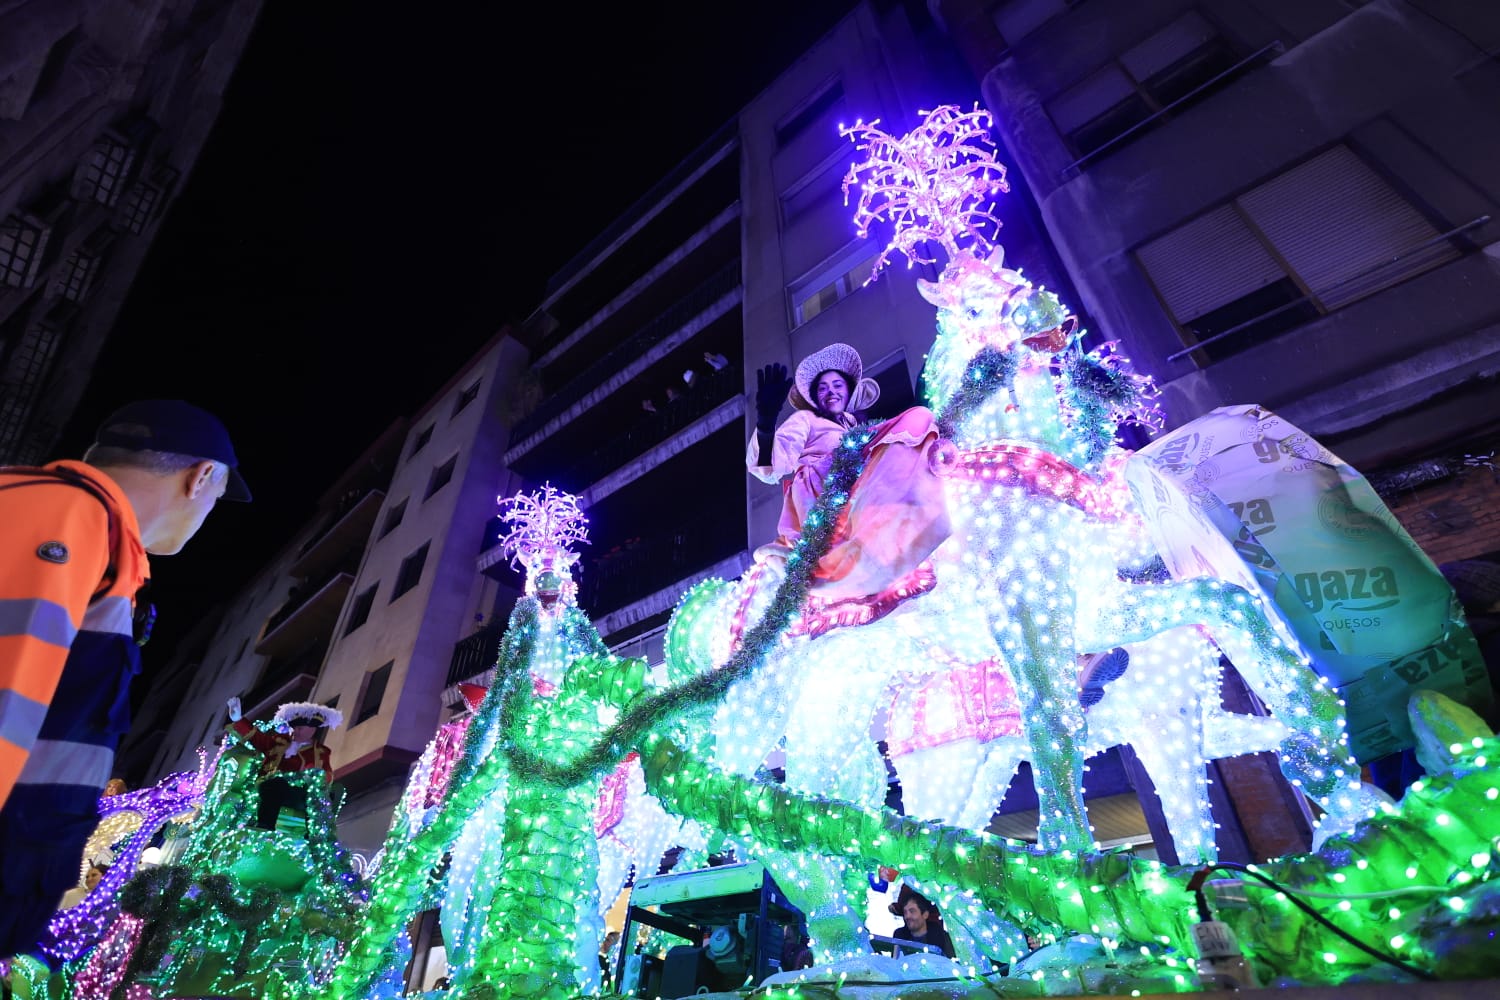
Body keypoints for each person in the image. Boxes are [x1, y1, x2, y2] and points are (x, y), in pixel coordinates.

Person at [0, 399, 249, 961]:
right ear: (202, 476)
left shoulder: (95, 541)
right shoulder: (66, 517)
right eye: (216, 497)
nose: (209, 512)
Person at [746, 343, 950, 605]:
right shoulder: (806, 420)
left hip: (857, 485)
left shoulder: (856, 428)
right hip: (822, 496)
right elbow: (772, 464)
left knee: (918, 418)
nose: (830, 392)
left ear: (848, 391)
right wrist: (765, 422)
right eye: (822, 388)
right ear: (814, 397)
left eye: (837, 385)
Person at [226, 699, 341, 833]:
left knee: (320, 798)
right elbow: (257, 737)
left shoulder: (321, 752)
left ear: (312, 730)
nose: (295, 731)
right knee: (275, 785)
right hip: (272, 789)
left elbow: (327, 775)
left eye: (300, 728)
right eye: (295, 727)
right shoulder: (278, 742)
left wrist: (314, 774)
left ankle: (314, 837)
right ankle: (265, 827)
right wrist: (238, 719)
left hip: (301, 794)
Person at [889, 887, 954, 958]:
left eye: (912, 911)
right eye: (905, 912)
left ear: (925, 914)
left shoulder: (943, 938)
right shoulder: (899, 936)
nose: (907, 916)